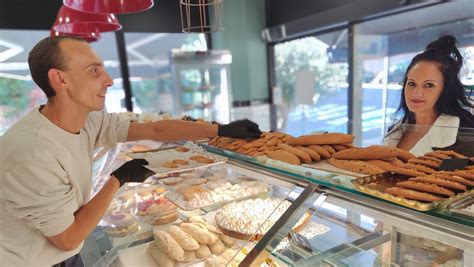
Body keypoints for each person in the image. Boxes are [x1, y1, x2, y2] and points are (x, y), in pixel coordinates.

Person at [0, 36, 262, 266]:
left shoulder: (88, 121)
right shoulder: (32, 155)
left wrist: (220, 130)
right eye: (94, 71)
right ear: (60, 79)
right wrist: (118, 179)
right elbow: (67, 239)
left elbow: (155, 131)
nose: (109, 80)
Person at [384, 35, 474, 156]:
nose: (416, 93)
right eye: (411, 83)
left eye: (429, 85)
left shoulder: (464, 137)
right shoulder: (396, 130)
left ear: (446, 89)